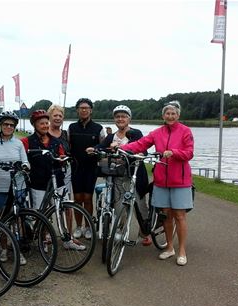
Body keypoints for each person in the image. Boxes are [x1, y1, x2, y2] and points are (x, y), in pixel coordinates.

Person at [120, 100, 194, 266]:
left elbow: (189, 153)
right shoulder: (157, 132)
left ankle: (181, 250)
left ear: (178, 115)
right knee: (165, 216)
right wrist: (122, 148)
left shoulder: (185, 131)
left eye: (173, 113)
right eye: (167, 113)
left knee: (179, 216)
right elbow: (141, 144)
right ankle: (169, 248)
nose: (170, 116)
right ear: (163, 115)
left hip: (180, 181)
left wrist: (173, 152)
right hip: (161, 180)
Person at [22, 109, 85, 250]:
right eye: (41, 123)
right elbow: (16, 149)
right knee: (41, 213)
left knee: (63, 208)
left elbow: (62, 155)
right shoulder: (27, 141)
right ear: (34, 125)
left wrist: (63, 159)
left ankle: (67, 239)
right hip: (38, 183)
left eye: (46, 123)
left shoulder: (56, 141)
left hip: (58, 181)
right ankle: (43, 240)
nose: (44, 125)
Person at [86, 105, 150, 244]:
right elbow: (101, 146)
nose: (120, 119)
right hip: (118, 176)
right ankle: (120, 230)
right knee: (119, 205)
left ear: (129, 118)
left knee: (140, 206)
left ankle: (145, 231)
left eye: (123, 116)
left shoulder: (136, 133)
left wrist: (137, 153)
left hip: (134, 175)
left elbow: (142, 148)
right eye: (117, 116)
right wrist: (94, 149)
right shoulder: (111, 136)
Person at [68, 98, 105, 240]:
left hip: (91, 168)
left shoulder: (98, 128)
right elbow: (66, 145)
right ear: (77, 110)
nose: (84, 110)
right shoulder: (71, 128)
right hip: (76, 167)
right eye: (81, 108)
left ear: (91, 110)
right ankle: (78, 226)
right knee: (77, 199)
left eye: (86, 108)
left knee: (88, 198)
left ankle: (89, 226)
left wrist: (97, 151)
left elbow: (103, 146)